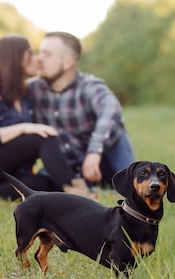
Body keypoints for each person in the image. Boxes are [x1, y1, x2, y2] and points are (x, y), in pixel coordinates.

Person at [0, 34, 93, 199]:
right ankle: (76, 190)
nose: (37, 60)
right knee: (41, 136)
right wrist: (24, 128)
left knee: (45, 184)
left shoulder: (26, 96)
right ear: (16, 61)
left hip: (6, 172)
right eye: (30, 55)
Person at [29, 31, 135, 187]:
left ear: (67, 62)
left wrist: (94, 151)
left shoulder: (89, 86)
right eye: (40, 53)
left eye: (47, 54)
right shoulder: (33, 89)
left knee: (115, 128)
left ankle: (130, 184)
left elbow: (111, 108)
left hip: (102, 164)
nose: (39, 59)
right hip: (68, 171)